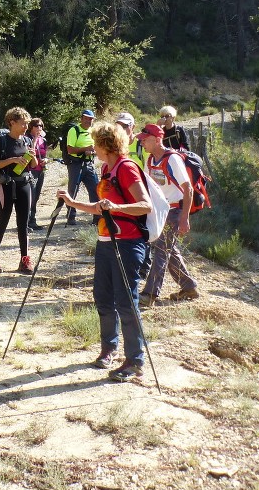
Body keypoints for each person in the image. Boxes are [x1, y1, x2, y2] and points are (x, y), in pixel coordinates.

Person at [59, 120, 152, 382]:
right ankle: (109, 349)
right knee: (102, 298)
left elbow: (145, 205)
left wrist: (116, 208)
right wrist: (72, 202)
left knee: (126, 302)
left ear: (105, 144)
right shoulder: (105, 168)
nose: (92, 147)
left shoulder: (126, 168)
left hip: (127, 243)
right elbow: (102, 207)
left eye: (94, 142)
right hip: (105, 242)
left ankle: (135, 361)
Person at [137, 123, 200, 306]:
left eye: (145, 140)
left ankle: (150, 294)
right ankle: (188, 286)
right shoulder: (150, 160)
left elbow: (188, 189)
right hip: (162, 211)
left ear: (157, 140)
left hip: (175, 211)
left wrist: (184, 217)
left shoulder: (173, 159)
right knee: (167, 250)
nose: (142, 143)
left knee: (161, 251)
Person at [0, 107, 39, 274]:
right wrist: (13, 160)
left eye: (27, 124)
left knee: (23, 224)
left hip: (24, 184)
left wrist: (33, 157)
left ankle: (25, 259)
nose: (26, 127)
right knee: (3, 221)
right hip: (6, 185)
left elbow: (34, 166)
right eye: (23, 124)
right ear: (12, 123)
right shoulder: (1, 142)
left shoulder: (28, 142)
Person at [64, 109, 100, 226]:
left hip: (89, 164)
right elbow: (70, 149)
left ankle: (97, 218)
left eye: (90, 119)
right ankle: (71, 217)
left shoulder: (93, 131)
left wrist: (92, 152)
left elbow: (96, 148)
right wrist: (85, 149)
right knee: (73, 190)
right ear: (81, 119)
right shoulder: (74, 130)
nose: (88, 121)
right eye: (86, 118)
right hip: (76, 164)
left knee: (95, 190)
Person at [27, 118, 48, 231]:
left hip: (40, 170)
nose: (39, 128)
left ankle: (32, 220)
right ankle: (26, 222)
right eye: (36, 126)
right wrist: (35, 139)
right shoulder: (27, 139)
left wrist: (46, 160)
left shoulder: (43, 140)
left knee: (37, 196)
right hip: (31, 170)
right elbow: (30, 152)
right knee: (31, 195)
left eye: (40, 126)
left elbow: (45, 154)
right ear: (31, 127)